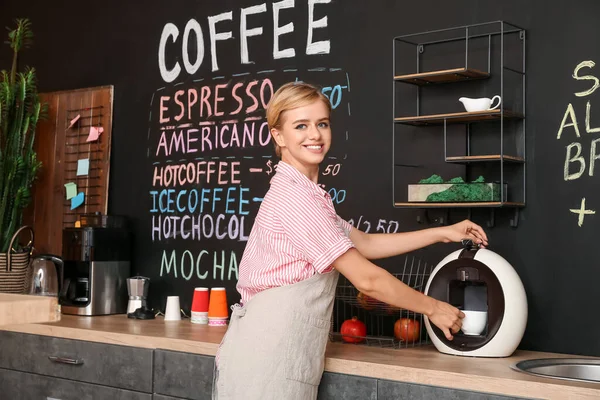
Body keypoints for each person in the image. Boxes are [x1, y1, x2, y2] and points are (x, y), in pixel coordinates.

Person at [212, 82, 488, 400]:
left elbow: (365, 243)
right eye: (300, 126)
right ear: (278, 136)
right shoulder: (295, 200)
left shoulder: (308, 195)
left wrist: (443, 232)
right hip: (266, 361)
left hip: (272, 354)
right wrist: (434, 308)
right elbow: (367, 279)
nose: (314, 135)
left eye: (322, 123)